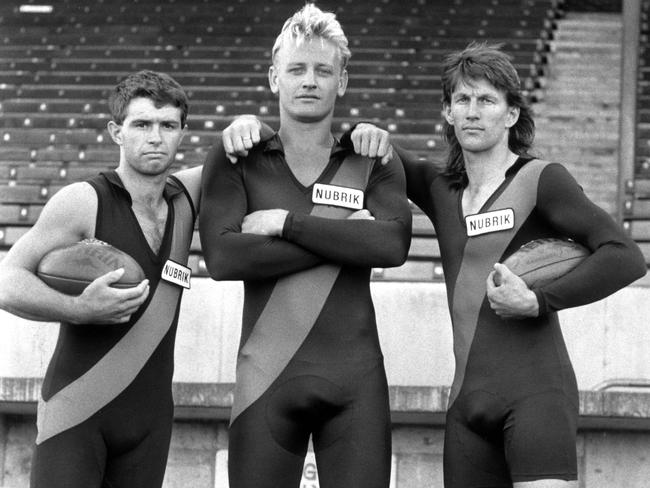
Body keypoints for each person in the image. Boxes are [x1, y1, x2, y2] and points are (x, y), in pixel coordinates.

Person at [224, 42, 647, 488]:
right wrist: (251, 124)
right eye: (461, 100)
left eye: (487, 100)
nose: (472, 111)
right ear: (447, 112)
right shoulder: (439, 189)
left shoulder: (542, 180)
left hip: (537, 396)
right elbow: (359, 142)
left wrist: (539, 300)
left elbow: (625, 256)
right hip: (465, 406)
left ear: (511, 115)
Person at [198, 4, 412, 488]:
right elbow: (224, 258)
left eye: (323, 70)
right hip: (265, 384)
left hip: (356, 386)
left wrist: (285, 224)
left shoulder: (372, 156)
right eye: (296, 69)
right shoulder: (238, 157)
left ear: (343, 81)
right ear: (275, 78)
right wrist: (346, 235)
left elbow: (392, 245)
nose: (309, 80)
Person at [0, 70, 201, 488]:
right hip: (76, 412)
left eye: (168, 125)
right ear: (116, 131)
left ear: (183, 131)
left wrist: (248, 127)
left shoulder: (186, 200)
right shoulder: (83, 200)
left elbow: (246, 152)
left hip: (151, 421)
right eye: (141, 124)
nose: (155, 137)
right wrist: (78, 309)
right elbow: (6, 280)